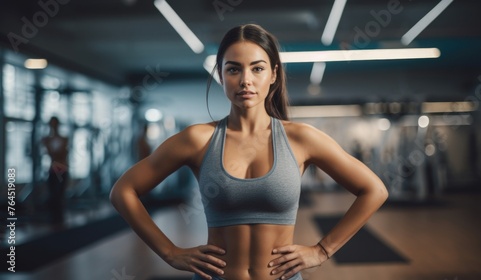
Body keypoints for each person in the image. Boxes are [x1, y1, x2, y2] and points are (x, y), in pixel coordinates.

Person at [110, 24, 388, 280]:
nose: (245, 80)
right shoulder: (197, 139)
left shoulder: (301, 138)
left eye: (257, 69)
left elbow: (374, 190)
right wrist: (170, 253)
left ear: (274, 75)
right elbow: (123, 191)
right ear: (221, 75)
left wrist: (322, 250)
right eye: (233, 69)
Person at [42, 116, 69, 224]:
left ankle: (60, 219)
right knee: (53, 194)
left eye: (55, 124)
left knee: (59, 194)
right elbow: (52, 154)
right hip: (53, 169)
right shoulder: (47, 139)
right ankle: (54, 219)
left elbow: (62, 153)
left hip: (62, 169)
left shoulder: (64, 139)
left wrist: (56, 154)